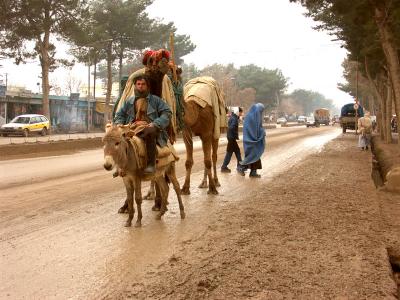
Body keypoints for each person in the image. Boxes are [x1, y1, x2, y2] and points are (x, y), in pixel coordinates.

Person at [114, 75, 172, 174]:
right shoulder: (129, 101)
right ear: (135, 86)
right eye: (138, 84)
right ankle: (120, 165)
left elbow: (167, 113)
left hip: (150, 128)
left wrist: (155, 123)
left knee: (149, 133)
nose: (140, 86)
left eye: (143, 84)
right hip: (132, 127)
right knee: (117, 139)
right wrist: (120, 124)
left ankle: (151, 164)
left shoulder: (156, 100)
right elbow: (120, 114)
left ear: (147, 86)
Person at [238, 103, 266, 178]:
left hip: (250, 140)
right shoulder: (253, 118)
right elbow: (255, 130)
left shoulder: (251, 116)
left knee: (256, 156)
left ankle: (253, 172)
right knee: (252, 156)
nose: (261, 113)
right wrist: (262, 132)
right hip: (251, 140)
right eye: (260, 111)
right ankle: (241, 166)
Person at [221, 107, 244, 173]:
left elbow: (230, 127)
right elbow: (231, 127)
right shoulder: (234, 119)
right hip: (232, 138)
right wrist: (234, 135)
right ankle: (238, 166)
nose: (241, 113)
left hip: (230, 138)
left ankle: (226, 166)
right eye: (241, 112)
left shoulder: (233, 117)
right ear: (238, 112)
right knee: (234, 152)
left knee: (232, 152)